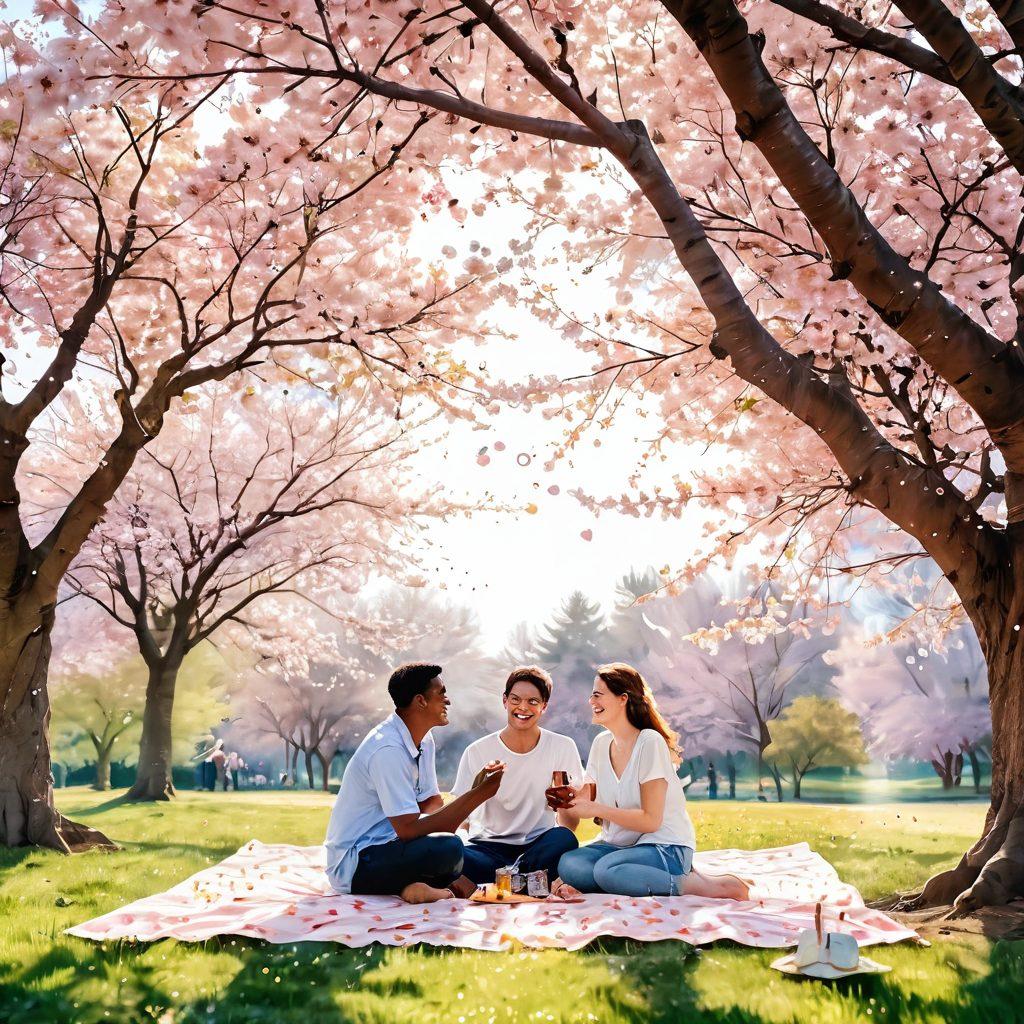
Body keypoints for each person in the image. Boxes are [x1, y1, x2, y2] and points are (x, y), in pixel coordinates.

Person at [558, 663, 749, 900]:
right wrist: (567, 799)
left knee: (607, 871)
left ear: (622, 699)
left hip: (665, 845)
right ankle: (632, 879)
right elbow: (586, 800)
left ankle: (707, 886)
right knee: (569, 863)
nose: (591, 701)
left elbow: (651, 821)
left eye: (598, 695)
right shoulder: (600, 744)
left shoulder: (649, 742)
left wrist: (596, 808)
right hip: (621, 847)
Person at [325, 662, 505, 904]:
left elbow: (431, 804)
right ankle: (437, 887)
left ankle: (415, 887)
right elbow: (408, 830)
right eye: (441, 693)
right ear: (420, 701)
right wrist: (478, 795)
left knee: (460, 849)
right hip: (355, 863)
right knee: (449, 849)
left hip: (391, 845)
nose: (448, 701)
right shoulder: (387, 749)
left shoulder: (424, 739)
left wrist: (473, 791)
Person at [452, 666, 583, 888]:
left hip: (537, 846)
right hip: (486, 848)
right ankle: (526, 881)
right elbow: (460, 817)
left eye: (533, 701)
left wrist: (563, 805)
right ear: (504, 701)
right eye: (515, 699)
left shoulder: (563, 747)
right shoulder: (477, 751)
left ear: (544, 707)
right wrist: (461, 842)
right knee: (452, 852)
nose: (523, 707)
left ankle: (507, 880)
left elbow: (570, 825)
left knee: (564, 839)